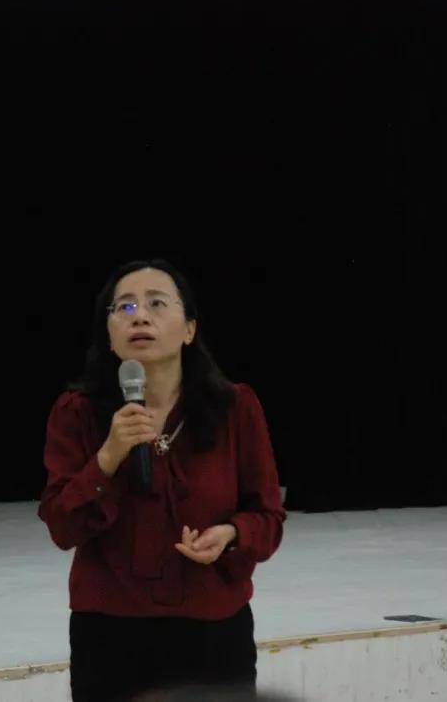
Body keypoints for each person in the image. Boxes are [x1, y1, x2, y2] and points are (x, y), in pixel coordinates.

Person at [38, 259, 287, 702]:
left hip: (213, 633)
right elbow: (62, 527)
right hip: (110, 636)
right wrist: (108, 456)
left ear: (189, 329)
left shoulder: (235, 408)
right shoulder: (77, 413)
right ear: (109, 334)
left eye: (156, 303)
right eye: (125, 307)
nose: (140, 316)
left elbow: (268, 517)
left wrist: (231, 534)